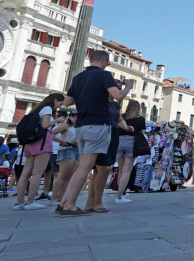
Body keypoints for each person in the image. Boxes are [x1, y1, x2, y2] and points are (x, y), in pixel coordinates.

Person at [59, 50, 134, 217]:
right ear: (103, 60)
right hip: (98, 124)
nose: (107, 65)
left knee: (82, 167)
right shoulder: (104, 75)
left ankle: (64, 202)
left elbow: (67, 102)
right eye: (107, 62)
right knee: (84, 168)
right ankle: (69, 205)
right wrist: (128, 87)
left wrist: (85, 95)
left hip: (81, 126)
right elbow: (118, 96)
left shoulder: (78, 77)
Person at [13, 93, 64, 210]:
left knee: (25, 173)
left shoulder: (36, 109)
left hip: (30, 143)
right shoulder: (47, 109)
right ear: (55, 100)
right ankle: (30, 201)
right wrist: (57, 120)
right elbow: (45, 125)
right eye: (59, 104)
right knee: (37, 173)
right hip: (42, 143)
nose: (59, 107)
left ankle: (19, 202)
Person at [115, 101, 146, 203]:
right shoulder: (140, 119)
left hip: (119, 142)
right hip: (132, 143)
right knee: (127, 171)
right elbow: (142, 133)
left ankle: (121, 193)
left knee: (121, 170)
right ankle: (119, 197)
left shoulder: (121, 116)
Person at [51, 111, 78, 203]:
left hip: (77, 149)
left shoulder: (80, 127)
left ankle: (61, 198)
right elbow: (51, 133)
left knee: (70, 176)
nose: (75, 118)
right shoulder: (65, 126)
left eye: (77, 116)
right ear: (70, 117)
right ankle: (53, 198)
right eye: (73, 116)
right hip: (66, 148)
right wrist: (60, 141)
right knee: (63, 175)